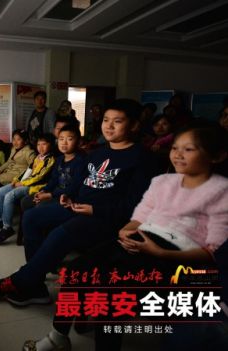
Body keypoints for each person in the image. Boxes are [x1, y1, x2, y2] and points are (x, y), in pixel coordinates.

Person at [22, 123, 228, 351]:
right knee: (74, 272)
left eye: (189, 149)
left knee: (109, 293)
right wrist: (126, 229)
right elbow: (141, 213)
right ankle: (58, 336)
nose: (177, 155)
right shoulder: (163, 182)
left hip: (175, 257)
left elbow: (214, 250)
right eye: (175, 148)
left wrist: (160, 252)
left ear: (217, 156)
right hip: (139, 240)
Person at [0, 99, 158, 307]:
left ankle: (22, 280)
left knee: (60, 233)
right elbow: (78, 184)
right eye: (106, 120)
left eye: (117, 121)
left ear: (134, 125)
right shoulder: (98, 153)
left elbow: (135, 205)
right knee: (31, 217)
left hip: (106, 217)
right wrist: (67, 196)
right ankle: (36, 285)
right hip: (78, 207)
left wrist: (94, 209)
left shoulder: (143, 158)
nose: (109, 126)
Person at [0, 133, 56, 244]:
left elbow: (39, 177)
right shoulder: (38, 157)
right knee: (1, 191)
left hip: (35, 187)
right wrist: (16, 180)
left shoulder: (50, 159)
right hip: (26, 182)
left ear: (51, 145)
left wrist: (23, 183)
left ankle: (7, 227)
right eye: (39, 144)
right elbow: (27, 171)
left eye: (44, 144)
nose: (41, 147)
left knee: (10, 195)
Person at [21, 125, 86, 212]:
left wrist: (49, 195)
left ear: (78, 142)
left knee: (38, 208)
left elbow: (74, 188)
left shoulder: (80, 161)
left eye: (69, 139)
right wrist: (43, 191)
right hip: (54, 193)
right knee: (26, 201)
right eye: (61, 139)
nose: (64, 143)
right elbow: (53, 180)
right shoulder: (59, 160)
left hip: (66, 197)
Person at [0, 129, 35, 210]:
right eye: (14, 139)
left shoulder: (29, 151)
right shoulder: (13, 149)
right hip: (9, 171)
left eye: (18, 139)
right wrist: (0, 169)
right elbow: (8, 161)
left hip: (17, 174)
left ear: (25, 140)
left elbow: (32, 167)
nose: (15, 142)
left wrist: (23, 180)